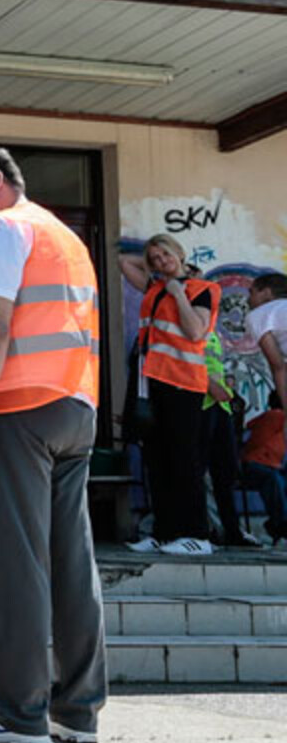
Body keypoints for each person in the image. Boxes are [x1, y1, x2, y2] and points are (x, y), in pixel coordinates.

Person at [0, 146, 106, 743]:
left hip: (17, 409)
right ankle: (78, 712)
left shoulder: (0, 227)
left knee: (15, 563)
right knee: (71, 564)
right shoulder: (65, 236)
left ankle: (18, 716)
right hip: (74, 406)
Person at [124, 235, 221, 556]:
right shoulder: (154, 288)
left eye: (166, 253)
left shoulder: (202, 289)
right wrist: (160, 273)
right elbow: (125, 262)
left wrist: (179, 289)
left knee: (183, 459)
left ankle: (197, 534)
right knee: (157, 460)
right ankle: (164, 532)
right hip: (151, 382)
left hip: (183, 382)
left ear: (179, 252)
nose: (161, 260)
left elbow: (195, 331)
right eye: (154, 257)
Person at [198, 323, 262, 547]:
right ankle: (205, 531)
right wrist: (209, 384)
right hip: (201, 403)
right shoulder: (192, 322)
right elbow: (186, 361)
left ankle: (232, 531)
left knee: (225, 474)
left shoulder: (213, 332)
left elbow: (215, 364)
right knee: (199, 474)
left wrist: (226, 386)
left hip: (220, 405)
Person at [240, 391, 286, 544]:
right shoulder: (277, 416)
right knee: (272, 479)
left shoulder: (267, 417)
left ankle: (276, 524)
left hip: (268, 466)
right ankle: (281, 525)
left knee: (277, 478)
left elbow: (249, 424)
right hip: (254, 466)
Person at [247, 272, 287, 415]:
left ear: (266, 292)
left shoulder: (261, 313)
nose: (248, 299)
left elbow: (278, 366)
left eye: (252, 293)